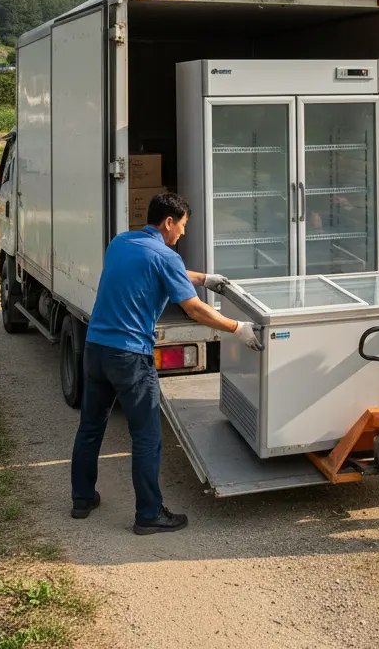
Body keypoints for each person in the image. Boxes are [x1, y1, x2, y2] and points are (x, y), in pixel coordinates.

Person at [70, 191, 262, 534]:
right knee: (146, 435)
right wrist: (237, 328)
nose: (184, 233)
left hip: (96, 348)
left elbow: (156, 267)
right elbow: (192, 309)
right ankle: (149, 514)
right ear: (168, 222)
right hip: (129, 355)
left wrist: (204, 279)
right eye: (183, 226)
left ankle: (82, 498)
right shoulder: (166, 256)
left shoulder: (122, 242)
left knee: (90, 427)